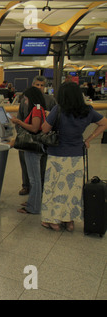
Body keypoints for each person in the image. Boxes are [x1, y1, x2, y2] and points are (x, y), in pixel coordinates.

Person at [40, 82, 107, 231]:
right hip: (77, 155)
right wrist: (89, 139)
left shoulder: (58, 110)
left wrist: (48, 116)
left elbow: (44, 129)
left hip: (57, 155)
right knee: (72, 189)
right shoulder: (87, 110)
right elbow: (104, 123)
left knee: (54, 188)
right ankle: (69, 221)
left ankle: (53, 220)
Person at [17, 75, 57, 196]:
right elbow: (20, 116)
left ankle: (40, 188)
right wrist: (21, 134)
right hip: (25, 137)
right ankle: (26, 186)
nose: (39, 87)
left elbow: (54, 118)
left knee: (42, 165)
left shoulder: (50, 100)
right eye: (37, 85)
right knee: (25, 163)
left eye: (42, 85)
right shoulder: (24, 100)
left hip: (41, 138)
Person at [11, 86, 47, 215]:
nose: (25, 102)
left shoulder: (36, 110)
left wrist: (19, 122)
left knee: (34, 179)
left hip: (32, 148)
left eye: (26, 99)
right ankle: (33, 201)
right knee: (35, 178)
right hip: (37, 147)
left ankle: (33, 207)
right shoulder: (39, 108)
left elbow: (34, 128)